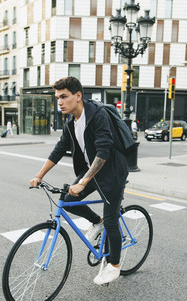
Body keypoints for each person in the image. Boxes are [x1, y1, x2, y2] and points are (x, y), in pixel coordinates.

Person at [29, 76, 128, 285]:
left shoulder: (98, 115)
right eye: (57, 98)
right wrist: (39, 175)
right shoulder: (71, 121)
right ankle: (96, 222)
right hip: (91, 171)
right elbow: (58, 150)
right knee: (69, 199)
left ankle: (114, 265)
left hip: (112, 172)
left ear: (78, 96)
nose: (60, 102)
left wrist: (82, 182)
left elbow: (103, 152)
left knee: (111, 219)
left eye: (64, 97)